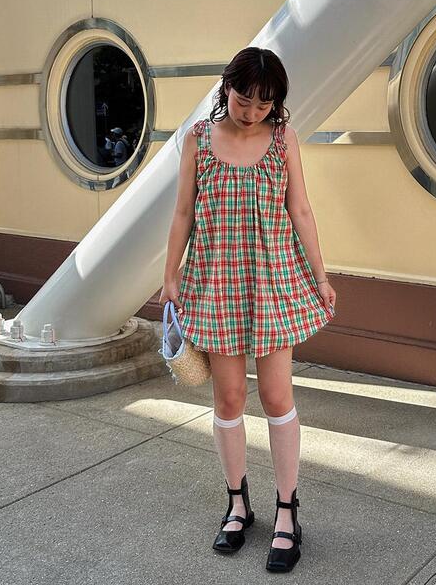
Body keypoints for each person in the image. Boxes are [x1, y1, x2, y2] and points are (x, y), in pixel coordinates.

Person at [159, 46, 337, 572]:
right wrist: (170, 276)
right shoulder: (198, 139)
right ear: (227, 88)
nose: (252, 112)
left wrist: (321, 276)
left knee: (278, 398)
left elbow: (300, 209)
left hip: (272, 283)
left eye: (264, 104)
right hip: (216, 283)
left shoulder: (283, 139)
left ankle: (287, 511)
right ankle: (238, 505)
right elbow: (183, 212)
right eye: (244, 99)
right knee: (230, 398)